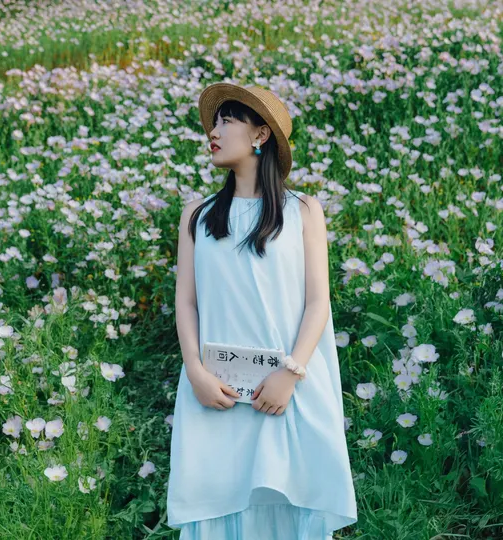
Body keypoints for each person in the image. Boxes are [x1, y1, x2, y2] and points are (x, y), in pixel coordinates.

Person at [167, 82, 358, 540]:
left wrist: (289, 374)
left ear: (260, 134)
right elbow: (186, 301)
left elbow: (318, 302)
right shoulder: (197, 214)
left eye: (227, 121)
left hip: (287, 389)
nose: (213, 132)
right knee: (217, 502)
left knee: (290, 502)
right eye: (214, 123)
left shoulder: (304, 210)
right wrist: (194, 372)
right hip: (215, 392)